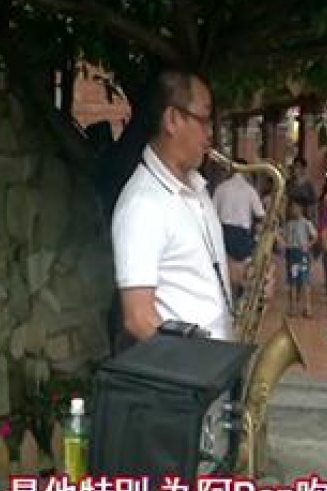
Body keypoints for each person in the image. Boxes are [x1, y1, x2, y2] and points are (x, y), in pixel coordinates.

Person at [111, 70, 266, 345]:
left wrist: (243, 274)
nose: (210, 134)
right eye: (204, 120)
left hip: (217, 360)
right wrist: (199, 364)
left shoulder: (196, 187)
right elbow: (138, 318)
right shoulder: (143, 204)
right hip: (191, 370)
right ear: (172, 119)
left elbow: (197, 268)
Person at [212, 162, 265, 263]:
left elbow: (212, 212)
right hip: (242, 235)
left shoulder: (221, 187)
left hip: (222, 233)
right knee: (243, 267)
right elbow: (260, 214)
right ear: (246, 172)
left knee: (224, 265)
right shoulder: (250, 190)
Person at [281, 200, 317, 318]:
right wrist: (284, 244)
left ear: (301, 209)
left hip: (302, 254)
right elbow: (283, 237)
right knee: (292, 281)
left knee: (305, 280)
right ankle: (293, 307)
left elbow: (314, 236)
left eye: (295, 207)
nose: (293, 210)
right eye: (292, 208)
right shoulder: (288, 224)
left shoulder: (306, 223)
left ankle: (307, 307)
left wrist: (308, 245)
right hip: (292, 253)